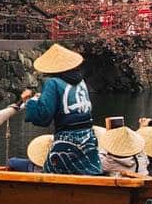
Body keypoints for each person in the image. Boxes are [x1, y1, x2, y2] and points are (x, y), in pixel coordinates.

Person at [21, 43, 102, 175]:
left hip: (68, 140)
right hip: (88, 138)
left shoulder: (53, 83)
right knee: (89, 171)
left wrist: (29, 101)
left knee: (53, 171)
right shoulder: (81, 81)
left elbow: (43, 116)